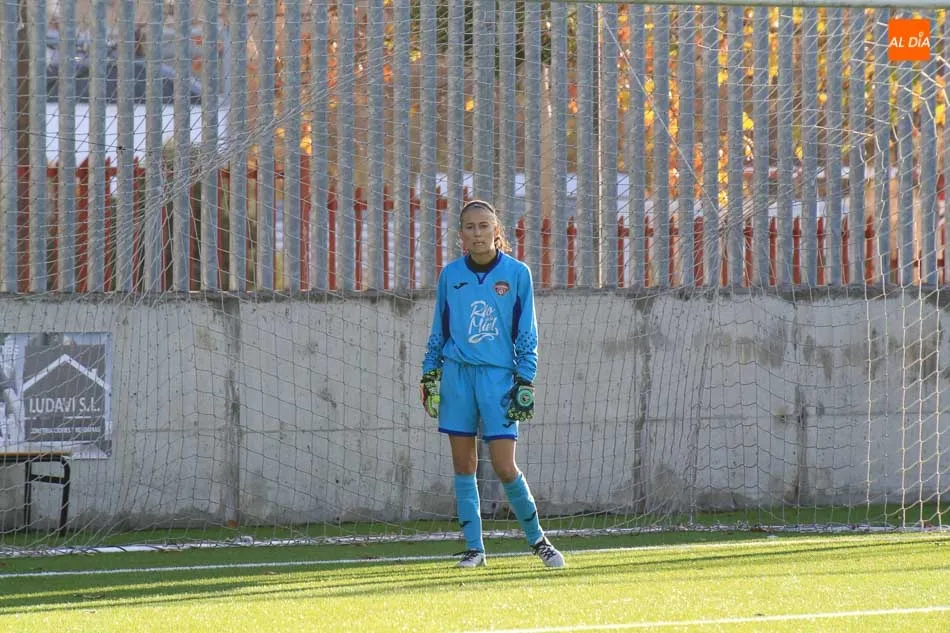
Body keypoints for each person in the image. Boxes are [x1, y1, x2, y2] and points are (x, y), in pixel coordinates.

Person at [419, 199, 565, 569]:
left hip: (498, 379)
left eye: (484, 226)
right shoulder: (451, 275)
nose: (477, 233)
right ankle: (475, 549)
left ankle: (539, 542)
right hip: (457, 376)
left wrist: (525, 378)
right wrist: (429, 373)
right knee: (463, 463)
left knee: (503, 465)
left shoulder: (517, 274)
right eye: (470, 227)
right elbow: (439, 329)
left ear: (497, 230)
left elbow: (527, 333)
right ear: (460, 235)